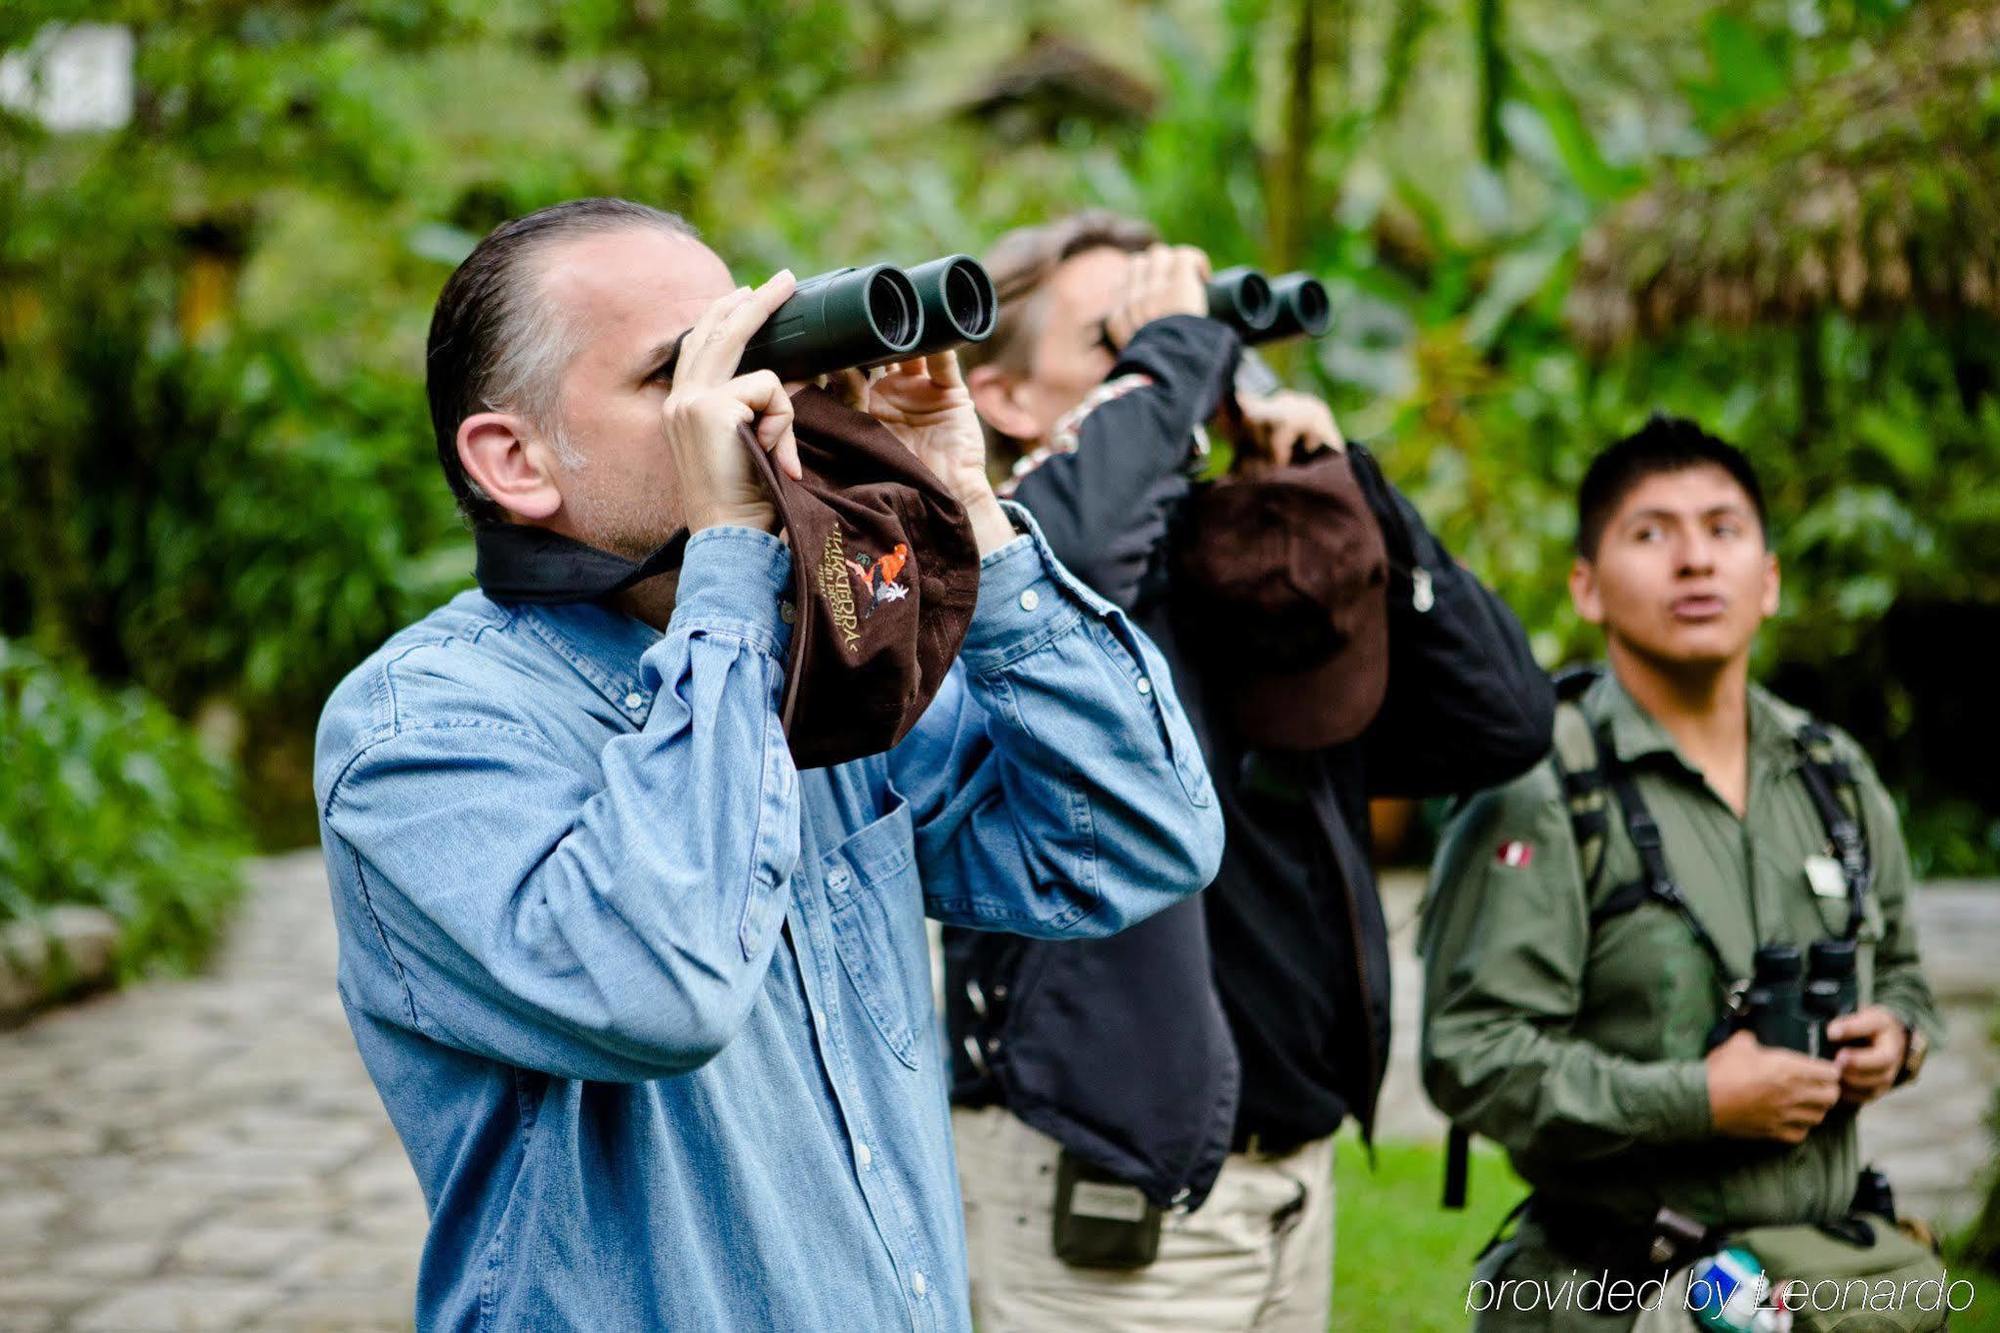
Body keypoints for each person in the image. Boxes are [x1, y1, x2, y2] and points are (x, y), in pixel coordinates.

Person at [312, 197, 1224, 1332]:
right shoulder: (420, 731)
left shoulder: (812, 680)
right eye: (682, 378)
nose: (751, 409)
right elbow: (665, 986)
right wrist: (736, 560)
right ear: (515, 459)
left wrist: (964, 506)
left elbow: (1134, 842)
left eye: (752, 360)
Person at [944, 210, 1554, 1331]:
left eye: (1192, 337)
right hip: (1098, 1184)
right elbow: (1065, 557)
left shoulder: (1253, 588)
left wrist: (1348, 494)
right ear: (1005, 396)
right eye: (1119, 340)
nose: (1184, 364)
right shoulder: (1002, 588)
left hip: (1289, 1186)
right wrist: (1170, 354)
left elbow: (1501, 723)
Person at [1419, 417, 1942, 1331]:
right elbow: (1474, 1056)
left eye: (1724, 529)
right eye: (1652, 532)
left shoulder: (1834, 777)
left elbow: (1903, 972)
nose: (1696, 560)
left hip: (1818, 1283)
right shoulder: (1544, 789)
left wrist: (1896, 1037)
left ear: (1768, 579)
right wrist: (1700, 1101)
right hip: (1614, 1290)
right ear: (1585, 585)